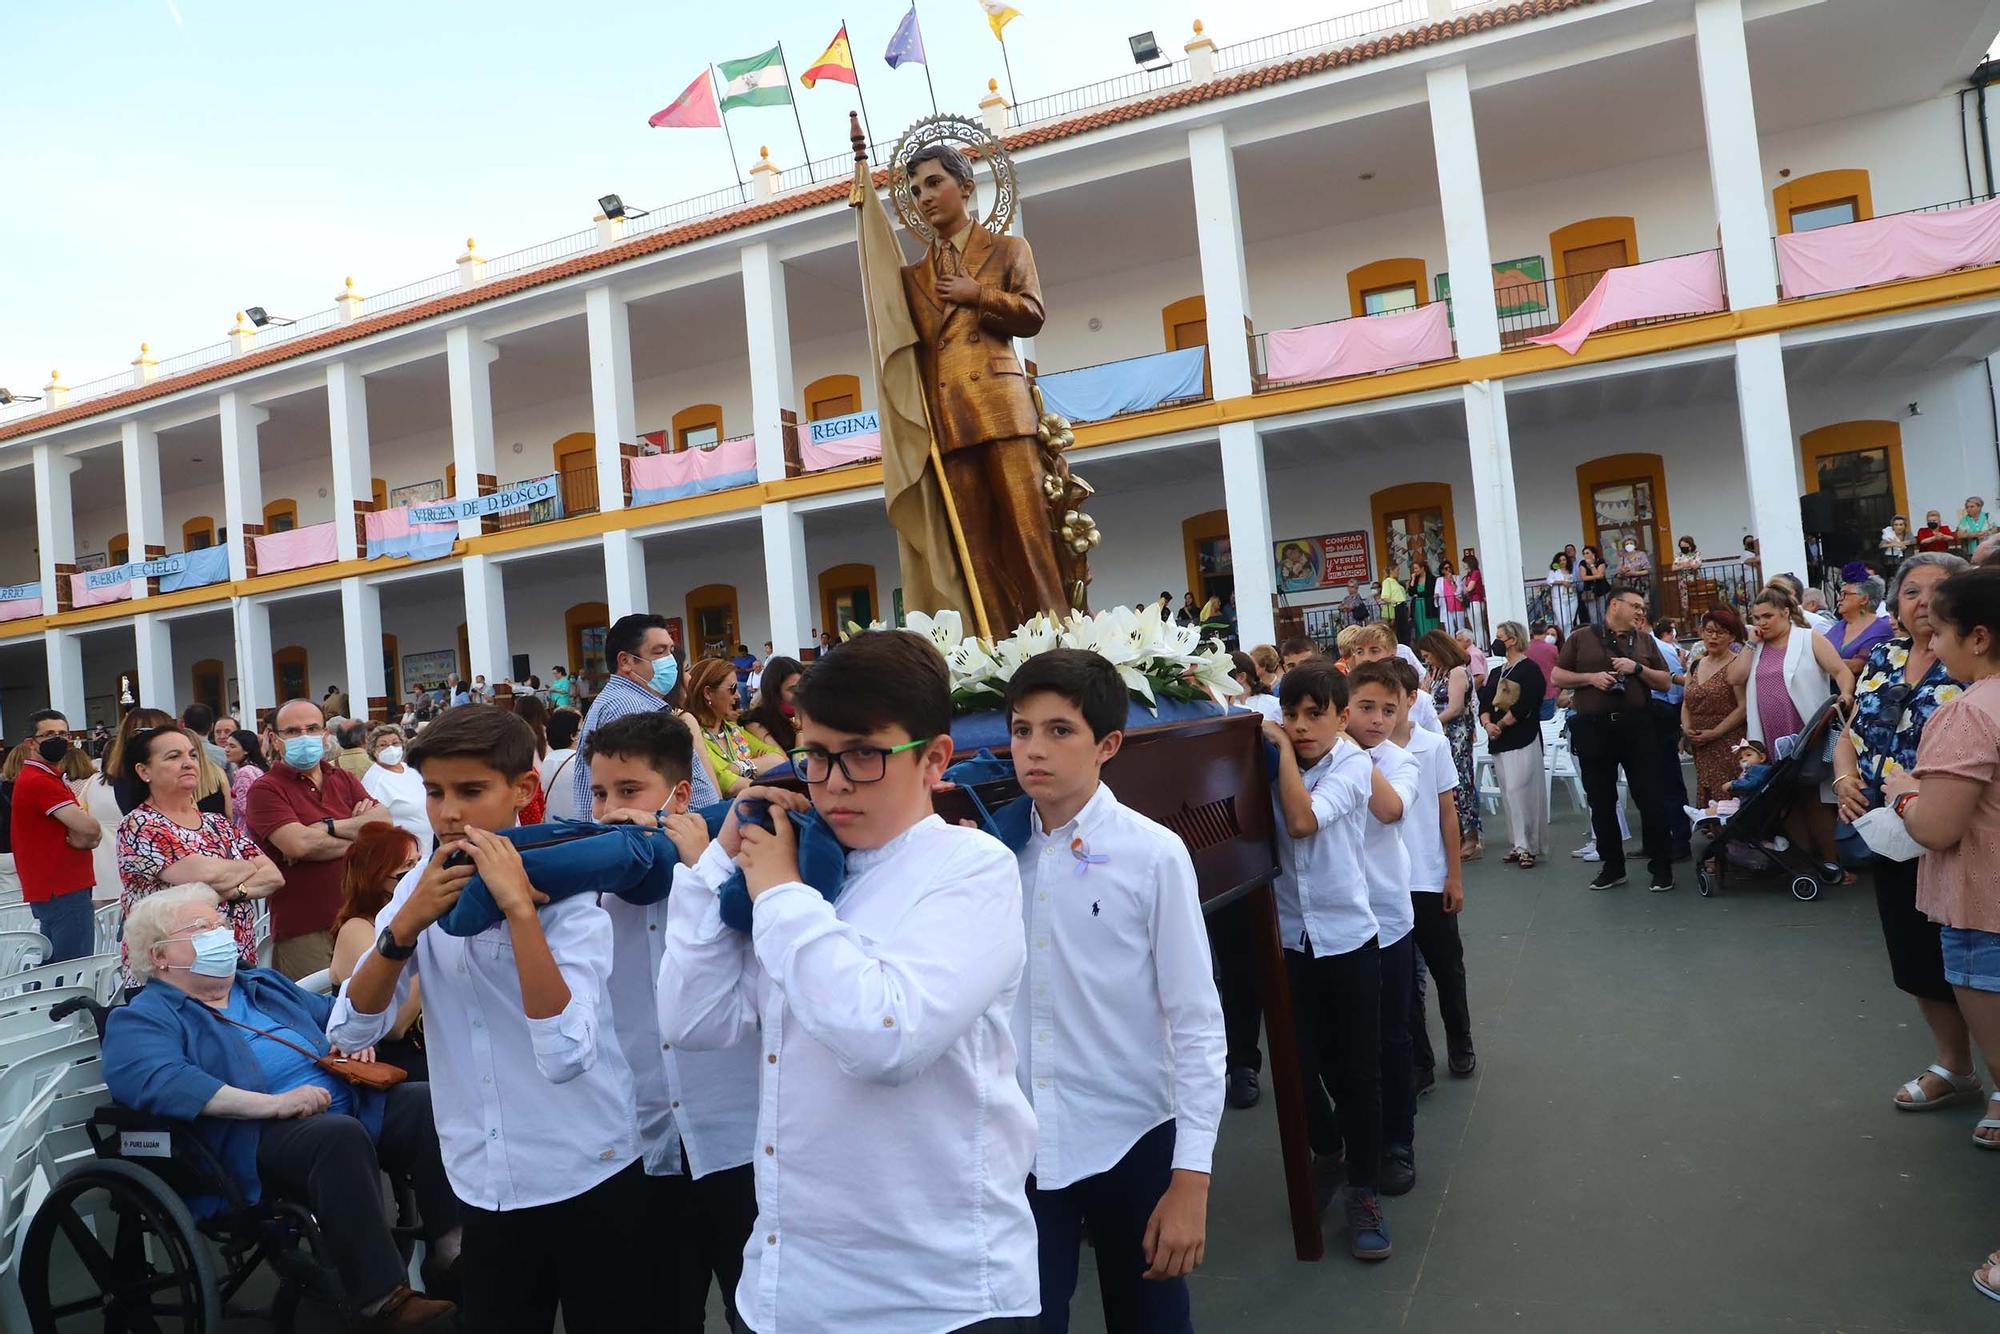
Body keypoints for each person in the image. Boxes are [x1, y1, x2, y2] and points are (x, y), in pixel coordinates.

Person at [655, 631, 1041, 1330]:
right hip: (786, 1287)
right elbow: (692, 1020)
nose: (832, 783)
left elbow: (885, 1039)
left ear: (933, 759)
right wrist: (718, 859)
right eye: (816, 757)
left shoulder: (970, 868)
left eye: (864, 755)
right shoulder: (804, 866)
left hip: (932, 1295)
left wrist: (776, 894)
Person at [329, 705, 651, 1333]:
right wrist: (401, 931)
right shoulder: (419, 887)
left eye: (471, 791)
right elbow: (349, 1033)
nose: (448, 812)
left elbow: (564, 1054)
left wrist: (520, 914)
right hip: (482, 1176)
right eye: (434, 792)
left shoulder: (572, 889)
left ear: (522, 791)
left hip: (586, 1167)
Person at [107, 885, 461, 1332]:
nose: (221, 933)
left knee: (428, 1103)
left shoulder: (261, 984)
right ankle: (381, 1299)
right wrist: (270, 1105)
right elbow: (161, 1080)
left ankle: (452, 1250)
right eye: (202, 928)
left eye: (219, 923)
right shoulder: (144, 1016)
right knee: (336, 1136)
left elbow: (337, 1015)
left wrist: (350, 1038)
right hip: (250, 1137)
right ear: (159, 956)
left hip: (344, 1103)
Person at [1002, 650, 1225, 1333]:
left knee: (1151, 1319)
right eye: (1020, 729)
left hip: (1130, 1134)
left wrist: (1191, 1178)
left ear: (1108, 744)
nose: (1033, 750)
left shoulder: (1152, 854)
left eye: (1059, 730)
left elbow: (1195, 1022)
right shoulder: (989, 854)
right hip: (1021, 1146)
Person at [583, 712, 761, 1332]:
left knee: (760, 1312)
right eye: (599, 793)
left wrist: (700, 869)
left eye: (629, 791)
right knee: (660, 1314)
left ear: (680, 796)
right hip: (645, 1140)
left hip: (741, 1139)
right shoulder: (591, 889)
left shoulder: (737, 872)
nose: (609, 809)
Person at [1879, 568, 2000, 1299]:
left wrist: (1905, 792)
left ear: (1977, 636)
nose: (1936, 642)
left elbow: (1938, 825)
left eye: (1944, 631)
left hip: (1987, 914)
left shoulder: (1968, 711)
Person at [1831, 552, 1977, 1116]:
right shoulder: (1885, 655)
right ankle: (1953, 1065)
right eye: (1911, 591)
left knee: (1974, 953)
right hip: (1889, 832)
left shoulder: (1973, 664)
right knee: (1914, 951)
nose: (1922, 603)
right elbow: (1851, 731)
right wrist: (1845, 777)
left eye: (1937, 591)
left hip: (1955, 832)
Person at [1264, 659, 1394, 1262]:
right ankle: (1328, 1148)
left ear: (1342, 718)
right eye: (1290, 715)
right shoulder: (1269, 749)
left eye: (1315, 715)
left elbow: (1301, 821)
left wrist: (1282, 758)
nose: (1299, 726)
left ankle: (1364, 1189)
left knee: (1357, 1073)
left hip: (1347, 941)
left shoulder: (1355, 765)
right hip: (1290, 940)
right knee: (1297, 1066)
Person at [116, 725, 284, 988]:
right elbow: (203, 873)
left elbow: (273, 876)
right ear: (144, 771)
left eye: (192, 755)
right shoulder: (140, 825)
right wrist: (249, 867)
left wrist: (231, 890)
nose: (188, 763)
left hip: (234, 963)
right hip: (172, 975)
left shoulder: (216, 822)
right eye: (173, 757)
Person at [1343, 660, 1421, 1198]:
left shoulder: (1400, 761)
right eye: (1365, 706)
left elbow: (1390, 809)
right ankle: (1350, 1138)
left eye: (1388, 710)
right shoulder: (1315, 756)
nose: (1376, 719)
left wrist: (1349, 755)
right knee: (1345, 1042)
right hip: (1334, 924)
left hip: (1387, 919)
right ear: (1344, 705)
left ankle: (1398, 1141)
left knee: (1393, 1036)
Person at [246, 698, 390, 979]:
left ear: (326, 735)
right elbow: (298, 844)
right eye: (293, 731)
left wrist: (324, 827)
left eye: (312, 728)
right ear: (275, 740)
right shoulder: (266, 789)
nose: (305, 737)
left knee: (369, 1006)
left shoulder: (343, 778)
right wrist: (359, 835)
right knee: (318, 1010)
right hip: (305, 927)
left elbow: (384, 825)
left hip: (362, 917)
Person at [1384, 657, 1475, 1091]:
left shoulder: (1432, 745)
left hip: (1429, 878)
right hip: (1388, 886)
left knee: (1447, 969)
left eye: (1390, 703)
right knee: (1402, 982)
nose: (1381, 714)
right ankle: (1419, 1060)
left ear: (1411, 699)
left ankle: (1460, 1040)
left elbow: (1447, 815)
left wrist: (1453, 875)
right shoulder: (1365, 752)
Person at [1724, 585, 1854, 884]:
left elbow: (1841, 671)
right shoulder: (1757, 646)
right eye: (1756, 617)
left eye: (1768, 616)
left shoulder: (1809, 638)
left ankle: (1833, 863)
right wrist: (1750, 644)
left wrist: (1845, 695)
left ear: (1786, 612)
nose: (1762, 623)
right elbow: (1734, 678)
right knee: (1787, 798)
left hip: (1808, 729)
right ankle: (1803, 862)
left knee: (1815, 797)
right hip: (1770, 735)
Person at [1552, 585, 1677, 892]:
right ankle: (1612, 867)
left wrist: (1636, 668)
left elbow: (1664, 681)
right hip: (1594, 728)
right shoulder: (1581, 638)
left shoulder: (1645, 640)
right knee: (1601, 800)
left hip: (1638, 727)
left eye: (1642, 608)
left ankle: (1661, 867)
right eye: (1635, 606)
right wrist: (1591, 679)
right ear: (1614, 606)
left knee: (1650, 797)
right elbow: (1557, 677)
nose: (1640, 612)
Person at [572, 612, 723, 817]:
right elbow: (636, 797)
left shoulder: (636, 703)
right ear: (626, 661)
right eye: (659, 652)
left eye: (670, 651)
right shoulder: (627, 708)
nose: (670, 661)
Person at [328, 824, 427, 1078]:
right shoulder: (356, 929)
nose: (417, 875)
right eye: (406, 867)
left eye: (419, 863)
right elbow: (395, 1027)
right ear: (377, 876)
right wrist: (419, 934)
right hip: (392, 1059)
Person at [10, 711, 102, 962]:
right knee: (73, 966)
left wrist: (88, 837)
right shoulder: (39, 780)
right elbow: (90, 829)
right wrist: (90, 837)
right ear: (31, 742)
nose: (58, 739)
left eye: (63, 734)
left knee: (57, 963)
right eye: (49, 734)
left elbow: (87, 833)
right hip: (62, 885)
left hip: (58, 885)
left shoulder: (46, 778)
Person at [1480, 621, 1548, 867]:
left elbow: (1528, 703)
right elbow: (1485, 703)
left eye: (1500, 637)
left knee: (1522, 790)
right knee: (1508, 793)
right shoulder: (1497, 672)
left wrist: (1503, 724)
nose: (1496, 642)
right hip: (1499, 740)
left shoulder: (1529, 669)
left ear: (1513, 640)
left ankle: (1528, 845)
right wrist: (1488, 724)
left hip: (1521, 736)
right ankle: (1516, 843)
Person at [1416, 630, 1480, 861]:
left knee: (1460, 781)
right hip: (1440, 734)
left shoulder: (1457, 672)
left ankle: (1470, 834)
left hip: (1456, 734)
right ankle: (1455, 834)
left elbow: (1454, 708)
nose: (1427, 660)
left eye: (1428, 655)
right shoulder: (1436, 673)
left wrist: (1427, 723)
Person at [685, 657, 785, 798]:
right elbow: (727, 784)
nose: (738, 696)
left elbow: (780, 759)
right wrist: (759, 768)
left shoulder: (733, 730)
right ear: (707, 693)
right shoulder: (695, 735)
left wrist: (737, 767)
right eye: (732, 689)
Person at [1681, 608, 1748, 808]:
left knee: (1728, 794)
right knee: (1708, 790)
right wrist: (1686, 728)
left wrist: (1715, 733)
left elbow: (1742, 707)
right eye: (1709, 631)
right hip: (1700, 741)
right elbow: (1686, 701)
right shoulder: (1696, 664)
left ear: (1732, 637)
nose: (1713, 636)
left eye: (1720, 632)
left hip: (1728, 740)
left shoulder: (1735, 665)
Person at [361, 725, 431, 860]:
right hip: (403, 856)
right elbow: (370, 824)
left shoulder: (411, 769)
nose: (390, 748)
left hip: (428, 848)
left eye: (395, 743)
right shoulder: (374, 780)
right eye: (383, 745)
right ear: (373, 751)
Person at [1829, 573, 1894, 673]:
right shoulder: (1839, 626)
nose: (1839, 599)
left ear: (1864, 599)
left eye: (1845, 594)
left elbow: (1858, 666)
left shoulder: (1882, 629)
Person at [741, 656, 803, 752]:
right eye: (794, 689)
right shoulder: (756, 721)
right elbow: (796, 763)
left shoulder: (809, 715)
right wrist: (800, 730)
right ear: (775, 692)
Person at [536, 708, 585, 823]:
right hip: (579, 829)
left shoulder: (547, 760)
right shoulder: (581, 763)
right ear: (573, 735)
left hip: (551, 828)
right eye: (581, 729)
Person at [223, 728, 269, 838]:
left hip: (248, 831)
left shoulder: (244, 773)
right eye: (227, 745)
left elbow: (245, 808)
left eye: (232, 746)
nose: (226, 749)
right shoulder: (255, 768)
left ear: (246, 750)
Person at [1525, 620, 1561, 721]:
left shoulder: (1524, 649)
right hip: (1548, 692)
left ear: (1532, 631)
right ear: (1545, 630)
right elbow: (1559, 668)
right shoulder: (1552, 649)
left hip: (1529, 695)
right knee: (1547, 727)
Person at [1547, 552, 1579, 636]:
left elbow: (1577, 581)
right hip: (1559, 599)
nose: (1562, 562)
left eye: (1564, 560)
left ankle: (1567, 640)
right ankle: (1560, 639)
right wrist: (1562, 582)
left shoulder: (1571, 570)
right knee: (1563, 621)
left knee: (1570, 621)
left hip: (1572, 598)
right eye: (1560, 560)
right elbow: (1549, 581)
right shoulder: (1554, 571)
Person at [1577, 545, 1610, 626]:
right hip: (1589, 591)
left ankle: (1605, 631)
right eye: (1584, 553)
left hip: (1603, 590)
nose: (1585, 555)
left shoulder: (1600, 561)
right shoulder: (1582, 563)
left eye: (1587, 553)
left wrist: (1592, 565)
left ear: (1593, 554)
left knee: (1603, 613)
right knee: (1593, 615)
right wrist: (1597, 576)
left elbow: (1601, 575)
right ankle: (1596, 633)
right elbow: (1584, 577)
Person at [1615, 539, 1653, 607]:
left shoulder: (1641, 554)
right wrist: (1622, 572)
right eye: (1627, 544)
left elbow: (1648, 570)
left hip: (1641, 585)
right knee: (1631, 605)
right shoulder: (1622, 558)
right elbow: (1618, 574)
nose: (1629, 545)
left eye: (1631, 543)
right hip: (1628, 587)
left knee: (1644, 604)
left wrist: (1635, 573)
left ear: (1635, 545)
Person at [1379, 567, 1410, 644]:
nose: (1398, 572)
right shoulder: (1387, 581)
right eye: (1397, 570)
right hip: (1396, 607)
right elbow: (1384, 597)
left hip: (1402, 606)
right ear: (1391, 570)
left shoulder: (1396, 582)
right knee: (1397, 630)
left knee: (1404, 630)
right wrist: (1394, 602)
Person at [1672, 536, 1702, 615]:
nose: (1683, 548)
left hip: (1695, 579)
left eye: (1685, 546)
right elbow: (1674, 567)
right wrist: (1683, 565)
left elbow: (1697, 564)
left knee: (1697, 600)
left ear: (1690, 545)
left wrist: (1688, 564)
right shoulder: (1678, 555)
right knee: (1685, 602)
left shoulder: (1696, 553)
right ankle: (1687, 616)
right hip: (1683, 582)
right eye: (1681, 547)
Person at [1462, 553, 1488, 645]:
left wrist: (1466, 589)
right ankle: (1479, 644)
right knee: (1474, 625)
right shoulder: (1468, 574)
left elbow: (1469, 588)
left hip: (1477, 600)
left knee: (1479, 625)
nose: (1463, 565)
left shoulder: (1476, 573)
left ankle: (1483, 645)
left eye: (1465, 563)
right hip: (1470, 601)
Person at [1408, 559, 1437, 640]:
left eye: (1416, 568)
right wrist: (1413, 580)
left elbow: (1429, 592)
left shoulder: (1431, 578)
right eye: (1414, 569)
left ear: (1422, 568)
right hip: (1417, 607)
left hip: (1428, 605)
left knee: (1430, 626)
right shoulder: (1415, 579)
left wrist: (1417, 595)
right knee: (1419, 626)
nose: (1415, 570)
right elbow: (1411, 593)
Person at [1957, 495, 1992, 560]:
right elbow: (1959, 535)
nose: (1968, 509)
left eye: (1972, 507)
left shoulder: (1987, 516)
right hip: (1972, 552)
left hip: (1988, 550)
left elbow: (1994, 530)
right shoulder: (1964, 520)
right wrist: (1973, 534)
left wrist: (1986, 533)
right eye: (1967, 507)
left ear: (1979, 507)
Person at [1436, 560, 1464, 636]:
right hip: (1446, 607)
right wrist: (1436, 596)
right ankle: (1451, 645)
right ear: (1442, 570)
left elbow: (1459, 591)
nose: (1448, 569)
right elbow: (1437, 592)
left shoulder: (1457, 578)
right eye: (1446, 568)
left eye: (1449, 567)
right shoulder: (1439, 580)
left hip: (1457, 605)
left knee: (1461, 628)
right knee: (1449, 629)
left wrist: (1452, 581)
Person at [730, 643, 759, 708]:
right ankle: (745, 712)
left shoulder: (752, 658)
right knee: (743, 699)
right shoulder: (736, 659)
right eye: (741, 654)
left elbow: (756, 667)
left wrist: (746, 670)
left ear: (747, 652)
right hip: (740, 682)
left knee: (750, 697)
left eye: (744, 654)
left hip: (750, 682)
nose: (742, 655)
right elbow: (733, 668)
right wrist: (738, 670)